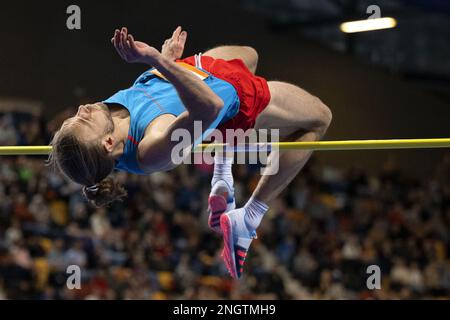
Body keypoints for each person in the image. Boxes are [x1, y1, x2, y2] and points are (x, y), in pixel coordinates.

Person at [49, 26, 332, 279]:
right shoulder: (152, 149)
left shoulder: (104, 117)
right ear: (108, 144)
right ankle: (249, 217)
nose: (82, 109)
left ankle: (222, 177)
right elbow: (211, 108)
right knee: (320, 117)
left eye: (75, 116)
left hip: (193, 70)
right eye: (84, 119)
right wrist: (155, 59)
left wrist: (165, 60)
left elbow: (147, 96)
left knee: (250, 55)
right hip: (230, 95)